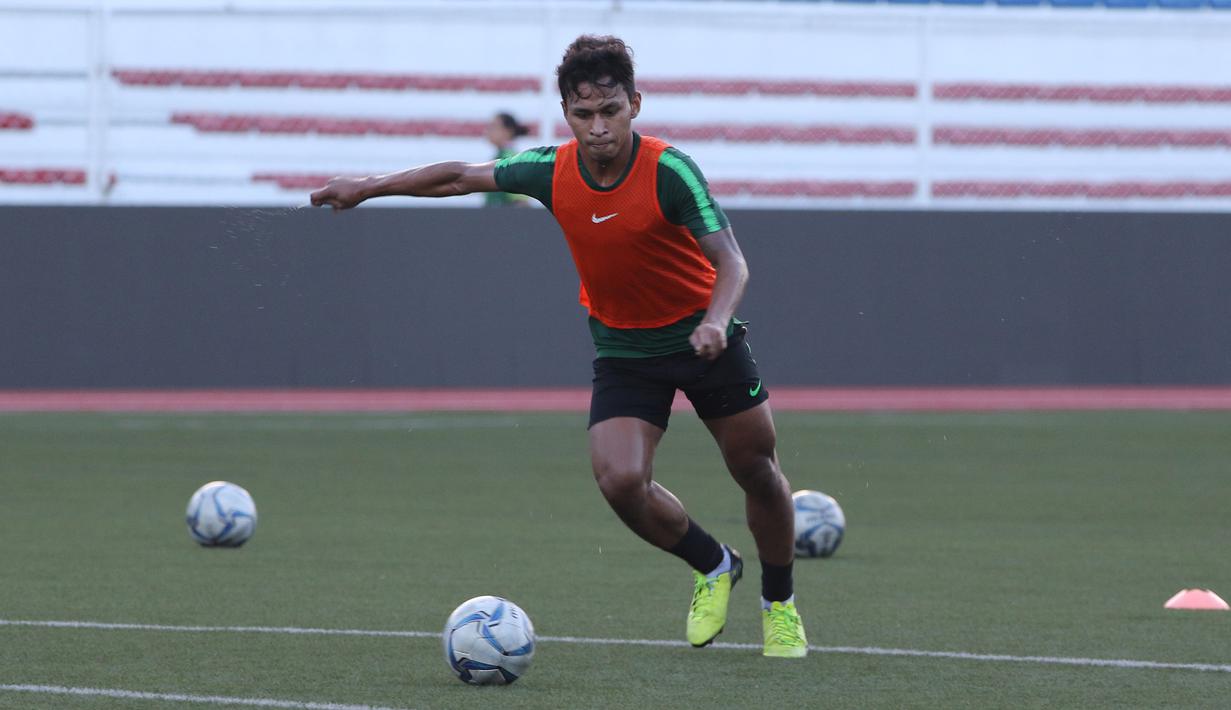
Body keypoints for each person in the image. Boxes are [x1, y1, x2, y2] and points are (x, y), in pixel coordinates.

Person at [311, 34, 807, 658]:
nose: (598, 128)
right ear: (567, 115)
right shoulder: (551, 169)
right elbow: (460, 177)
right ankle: (714, 565)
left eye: (610, 112)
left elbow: (732, 263)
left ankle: (780, 606)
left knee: (757, 471)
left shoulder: (670, 169)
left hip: (704, 338)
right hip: (625, 349)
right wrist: (367, 185)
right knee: (621, 481)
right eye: (583, 115)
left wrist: (715, 320)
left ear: (636, 105)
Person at [483, 112, 530, 207]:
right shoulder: (501, 156)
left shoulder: (510, 158)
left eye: (493, 126)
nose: (487, 131)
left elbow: (520, 200)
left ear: (508, 131)